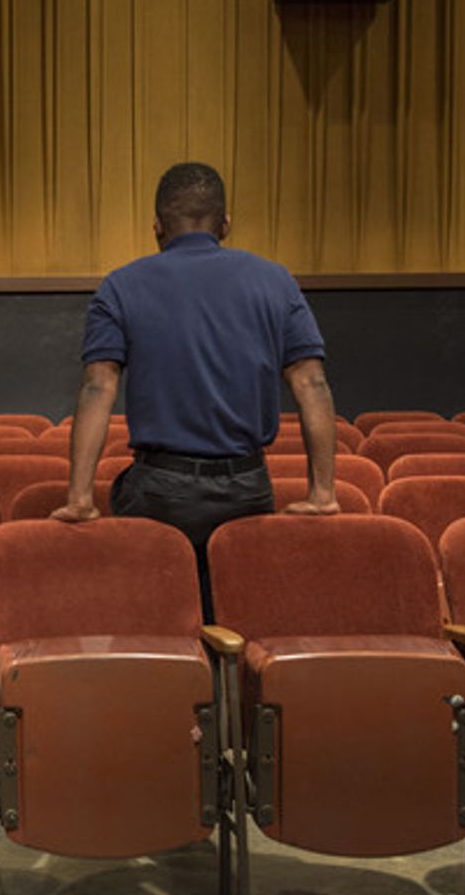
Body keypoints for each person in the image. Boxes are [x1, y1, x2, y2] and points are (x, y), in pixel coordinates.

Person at [52, 162, 339, 619]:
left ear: (157, 227)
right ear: (225, 224)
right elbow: (312, 383)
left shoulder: (121, 285)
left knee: (154, 625)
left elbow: (97, 388)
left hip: (159, 490)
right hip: (246, 489)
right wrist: (322, 492)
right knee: (238, 618)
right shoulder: (276, 280)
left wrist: (79, 497)